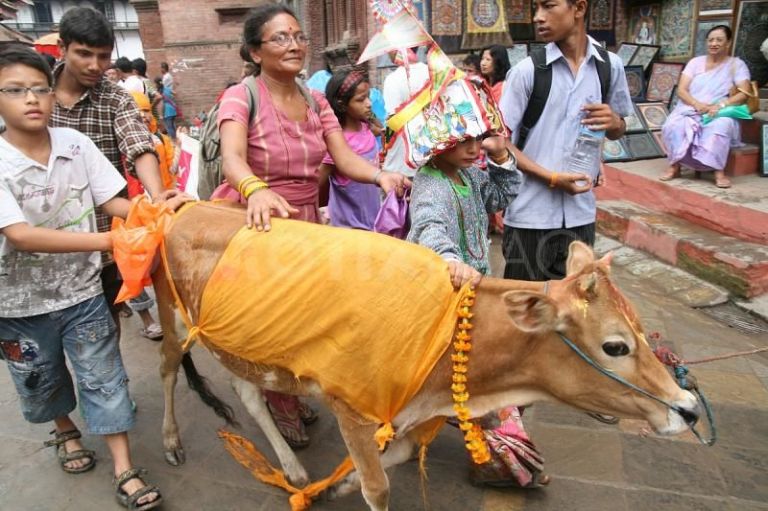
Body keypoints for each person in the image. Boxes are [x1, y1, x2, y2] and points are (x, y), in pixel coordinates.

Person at [215, 4, 408, 447]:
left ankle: (288, 386)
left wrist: (380, 175)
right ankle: (275, 393)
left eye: (299, 36)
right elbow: (231, 158)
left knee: (308, 315)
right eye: (280, 37)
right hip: (257, 219)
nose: (295, 45)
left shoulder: (316, 99)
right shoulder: (240, 96)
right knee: (272, 317)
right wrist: (255, 188)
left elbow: (341, 158)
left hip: (304, 222)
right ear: (255, 51)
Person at [0, 45, 181, 511]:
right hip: (17, 305)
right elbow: (20, 236)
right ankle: (65, 431)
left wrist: (154, 211)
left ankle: (124, 467)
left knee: (104, 377)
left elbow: (112, 203)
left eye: (40, 88)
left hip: (82, 292)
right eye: (16, 90)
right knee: (42, 379)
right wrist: (112, 244)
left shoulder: (75, 146)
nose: (32, 99)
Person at [499, 0, 631, 281]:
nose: (538, 18)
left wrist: (614, 122)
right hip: (529, 216)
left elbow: (620, 128)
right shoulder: (527, 72)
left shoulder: (610, 68)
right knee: (525, 312)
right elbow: (500, 143)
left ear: (579, 8)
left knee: (574, 313)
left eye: (548, 7)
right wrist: (551, 177)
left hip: (581, 217)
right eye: (537, 9)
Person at [50, 6, 166, 327]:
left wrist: (158, 197)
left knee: (103, 334)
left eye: (103, 56)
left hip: (104, 243)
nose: (95, 66)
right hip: (43, 244)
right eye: (84, 54)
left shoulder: (116, 99)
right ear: (62, 48)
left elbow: (139, 146)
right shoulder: (35, 94)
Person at [658, 25, 751, 189]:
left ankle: (718, 171)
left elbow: (744, 93)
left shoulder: (736, 65)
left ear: (728, 43)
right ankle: (675, 165)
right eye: (711, 40)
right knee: (672, 125)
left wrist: (720, 105)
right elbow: (681, 89)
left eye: (719, 40)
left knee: (721, 126)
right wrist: (697, 104)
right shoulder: (695, 62)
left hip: (718, 110)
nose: (714, 43)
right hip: (691, 107)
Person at [318, 70, 382, 229]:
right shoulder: (337, 142)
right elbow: (317, 182)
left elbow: (381, 130)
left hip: (374, 219)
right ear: (341, 104)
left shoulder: (365, 127)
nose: (368, 103)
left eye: (368, 96)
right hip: (349, 227)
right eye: (361, 99)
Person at [382, 50, 430, 177]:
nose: (387, 53)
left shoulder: (393, 79)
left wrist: (385, 149)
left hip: (402, 162)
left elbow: (392, 121)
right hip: (430, 156)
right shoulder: (432, 73)